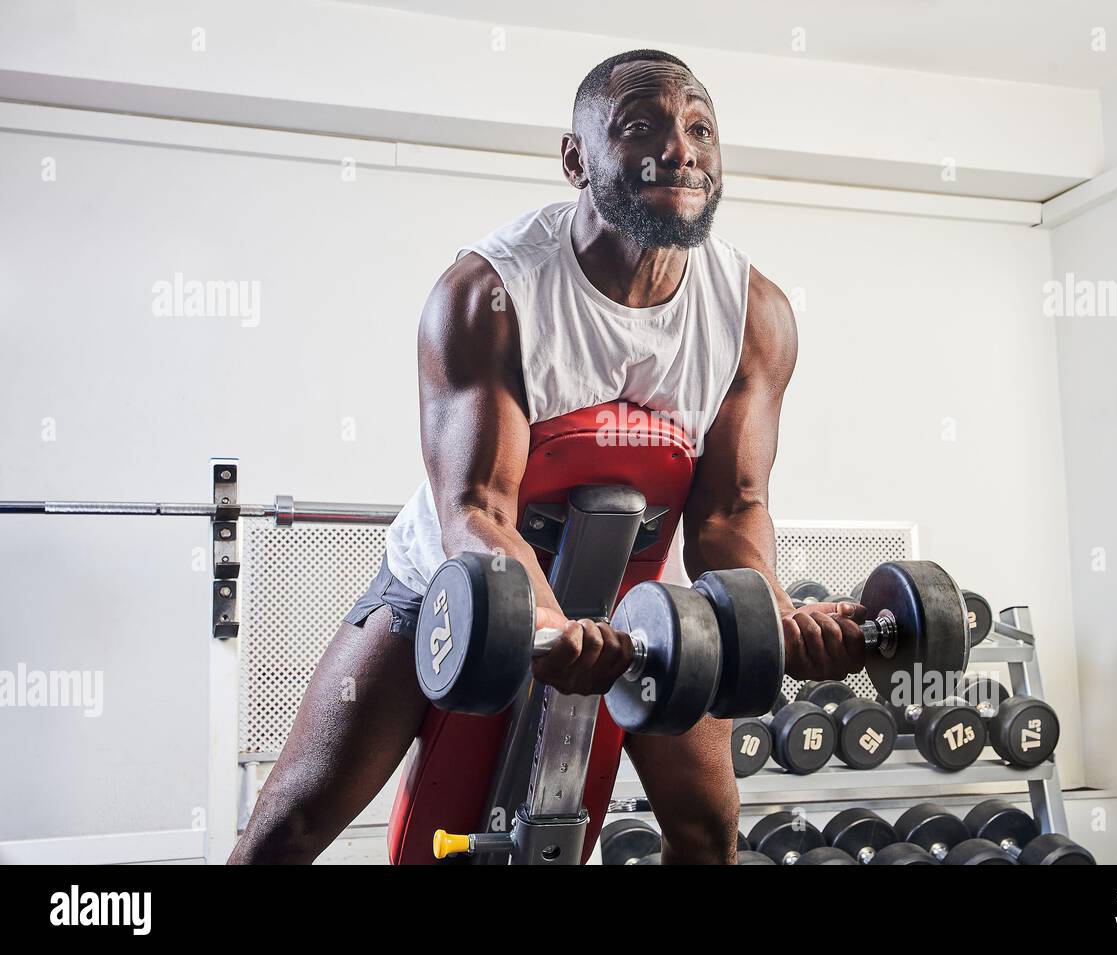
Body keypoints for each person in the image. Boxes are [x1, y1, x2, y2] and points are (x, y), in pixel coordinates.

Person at [231, 48, 867, 865]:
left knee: (709, 832)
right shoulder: (489, 293)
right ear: (576, 159)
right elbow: (476, 511)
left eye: (700, 127)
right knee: (289, 825)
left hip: (646, 598)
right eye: (642, 127)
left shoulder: (753, 314)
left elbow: (728, 510)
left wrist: (774, 618)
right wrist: (549, 623)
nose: (680, 148)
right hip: (452, 582)